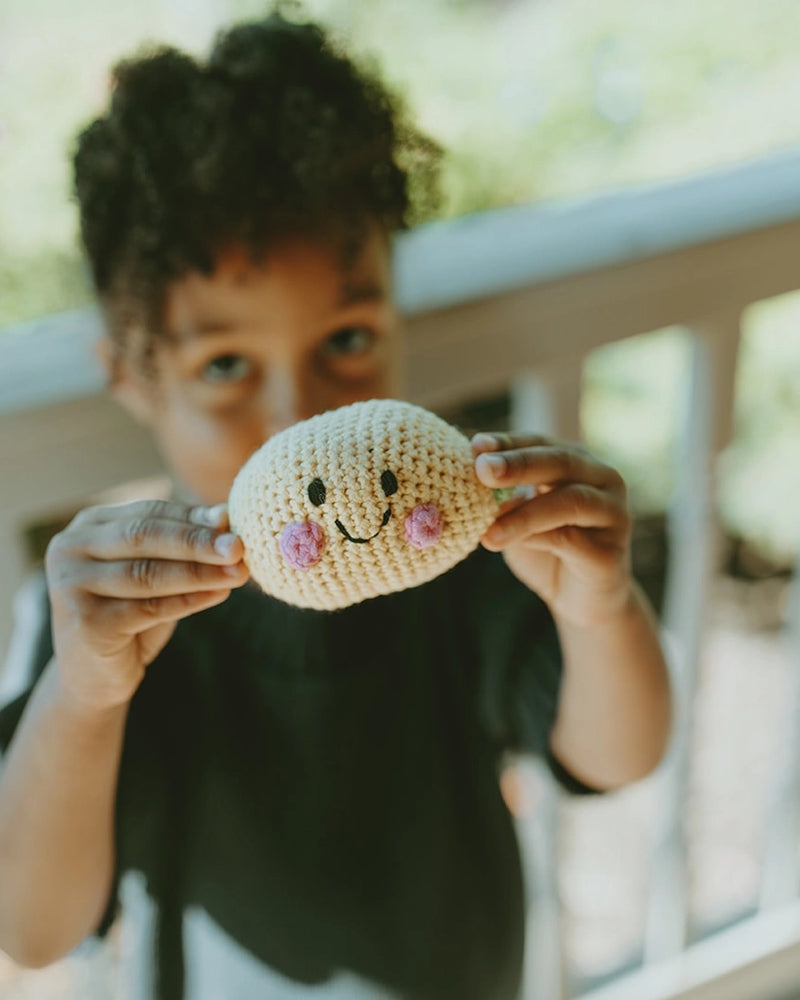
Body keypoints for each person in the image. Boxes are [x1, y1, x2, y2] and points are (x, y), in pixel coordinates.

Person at [0, 5, 672, 999]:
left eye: (346, 341)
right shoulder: (115, 618)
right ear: (135, 379)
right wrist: (84, 698)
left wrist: (596, 604)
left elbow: (616, 756)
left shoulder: (458, 558)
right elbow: (32, 927)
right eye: (226, 364)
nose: (298, 412)